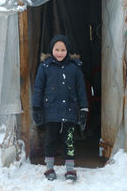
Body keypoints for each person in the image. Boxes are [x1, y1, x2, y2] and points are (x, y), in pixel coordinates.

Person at [32, 34, 88, 181]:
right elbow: (38, 88)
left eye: (63, 50)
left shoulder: (74, 68)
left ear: (67, 51)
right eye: (57, 49)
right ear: (52, 50)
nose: (60, 53)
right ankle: (49, 168)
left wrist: (83, 110)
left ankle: (70, 170)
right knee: (50, 141)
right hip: (51, 112)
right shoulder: (45, 67)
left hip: (69, 113)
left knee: (68, 141)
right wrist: (36, 108)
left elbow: (81, 90)